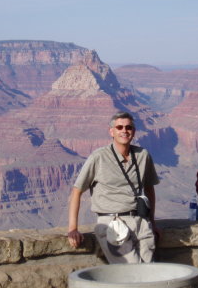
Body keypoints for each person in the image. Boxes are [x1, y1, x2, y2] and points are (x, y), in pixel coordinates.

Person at [67, 111, 160, 263]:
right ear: (112, 131)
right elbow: (77, 190)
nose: (124, 130)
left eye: (128, 127)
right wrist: (72, 229)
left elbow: (149, 188)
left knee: (149, 271)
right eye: (119, 127)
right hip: (113, 223)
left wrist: (152, 222)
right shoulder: (99, 157)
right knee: (133, 273)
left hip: (141, 222)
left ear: (134, 131)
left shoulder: (143, 155)